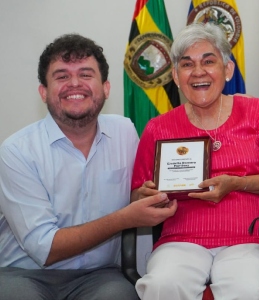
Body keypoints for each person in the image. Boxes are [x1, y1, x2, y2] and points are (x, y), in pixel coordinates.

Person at [0, 34, 177, 300]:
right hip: (24, 274)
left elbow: (133, 195)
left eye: (85, 74)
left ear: (106, 88)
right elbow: (45, 248)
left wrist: (144, 198)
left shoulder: (125, 132)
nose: (74, 83)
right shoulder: (16, 151)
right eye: (61, 76)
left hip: (101, 275)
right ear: (43, 92)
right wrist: (126, 216)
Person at [131, 23, 259, 300]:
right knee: (162, 285)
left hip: (248, 239)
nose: (198, 72)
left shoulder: (256, 113)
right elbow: (136, 194)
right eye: (187, 64)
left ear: (227, 69)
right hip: (180, 241)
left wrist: (236, 184)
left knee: (246, 290)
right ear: (175, 75)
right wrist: (146, 195)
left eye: (208, 61)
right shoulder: (158, 127)